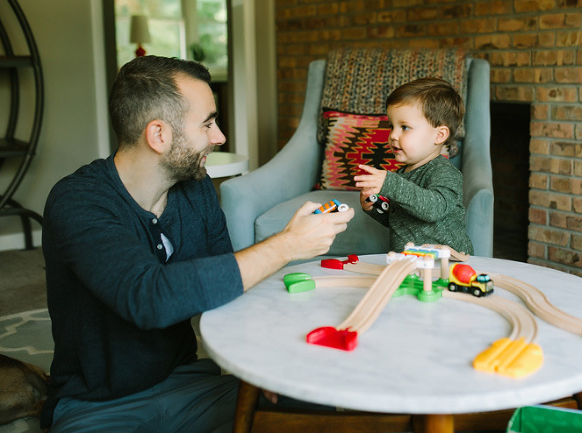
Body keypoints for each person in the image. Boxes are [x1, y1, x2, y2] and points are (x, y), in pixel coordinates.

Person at [41, 56, 354, 432]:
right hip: (97, 407)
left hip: (189, 385)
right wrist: (286, 245)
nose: (219, 136)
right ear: (159, 135)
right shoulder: (78, 201)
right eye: (207, 123)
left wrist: (267, 362)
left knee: (306, 398)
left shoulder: (197, 189)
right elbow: (148, 297)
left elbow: (230, 288)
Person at [353, 77, 473, 255]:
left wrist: (390, 183)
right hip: (411, 261)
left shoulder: (445, 172)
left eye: (405, 127)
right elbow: (401, 220)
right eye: (391, 126)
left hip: (449, 262)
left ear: (439, 135)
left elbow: (434, 208)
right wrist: (375, 207)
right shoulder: (402, 174)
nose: (393, 135)